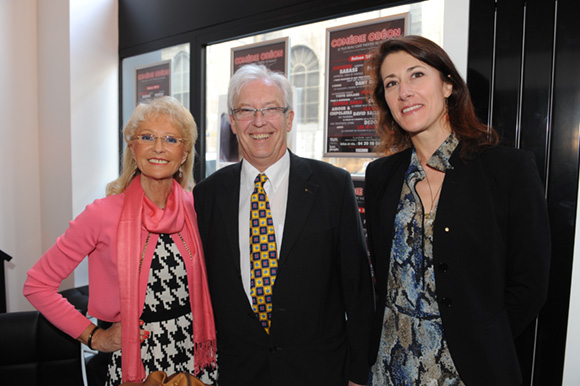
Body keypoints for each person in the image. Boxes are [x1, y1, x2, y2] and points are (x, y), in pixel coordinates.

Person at [363, 35, 551, 386]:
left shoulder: (507, 170)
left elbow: (530, 284)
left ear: (448, 84)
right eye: (392, 83)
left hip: (468, 370)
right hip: (390, 364)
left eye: (416, 75)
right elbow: (383, 275)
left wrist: (482, 339)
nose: (404, 91)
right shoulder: (381, 176)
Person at [193, 64, 374, 386]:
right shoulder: (207, 194)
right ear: (233, 123)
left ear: (289, 119)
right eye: (246, 110)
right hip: (239, 371)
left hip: (318, 371)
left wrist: (359, 372)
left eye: (271, 109)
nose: (259, 122)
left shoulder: (332, 186)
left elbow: (358, 288)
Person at [23, 96, 217, 386]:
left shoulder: (197, 209)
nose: (159, 148)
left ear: (185, 152)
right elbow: (37, 285)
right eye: (147, 137)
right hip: (136, 360)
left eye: (171, 139)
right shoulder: (102, 214)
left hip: (197, 357)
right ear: (133, 147)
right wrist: (95, 337)